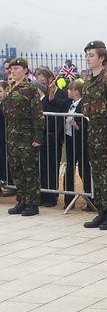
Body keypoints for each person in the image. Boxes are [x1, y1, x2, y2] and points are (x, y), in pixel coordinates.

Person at [82, 41, 107, 230]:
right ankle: (101, 212)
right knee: (97, 175)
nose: (88, 59)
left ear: (102, 58)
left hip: (105, 136)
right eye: (87, 55)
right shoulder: (89, 81)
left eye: (91, 55)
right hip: (94, 135)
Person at [3, 58, 43, 216]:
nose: (13, 71)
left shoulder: (30, 89)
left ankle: (32, 203)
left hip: (26, 136)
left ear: (25, 70)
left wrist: (38, 137)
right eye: (11, 68)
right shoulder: (10, 88)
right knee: (17, 170)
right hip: (13, 136)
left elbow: (38, 115)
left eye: (17, 68)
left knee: (29, 171)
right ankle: (22, 200)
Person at [35, 67, 69, 207]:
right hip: (42, 137)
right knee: (42, 166)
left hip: (54, 136)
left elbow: (59, 112)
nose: (40, 79)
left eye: (42, 76)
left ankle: (51, 196)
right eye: (38, 76)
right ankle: (42, 194)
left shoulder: (60, 93)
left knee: (51, 166)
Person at [64, 78, 93, 204]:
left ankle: (90, 198)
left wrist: (78, 126)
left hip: (81, 141)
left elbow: (87, 123)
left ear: (76, 91)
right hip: (70, 140)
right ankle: (68, 198)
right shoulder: (70, 104)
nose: (68, 91)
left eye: (70, 89)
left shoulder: (83, 105)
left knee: (84, 169)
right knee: (69, 168)